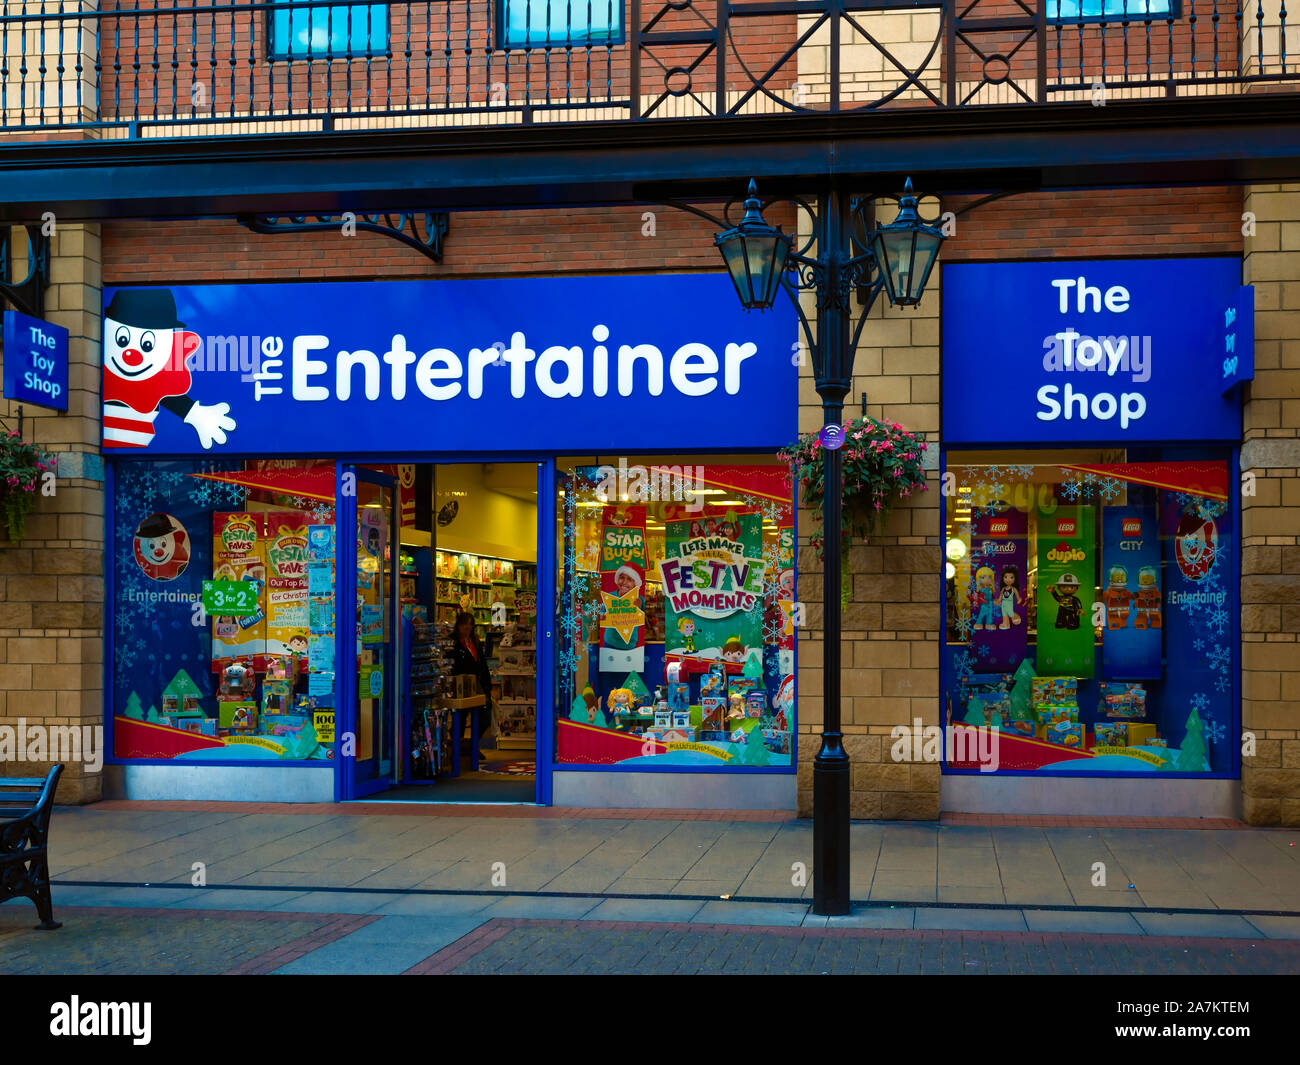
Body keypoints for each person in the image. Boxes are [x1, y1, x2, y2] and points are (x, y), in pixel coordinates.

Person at [450, 611, 493, 758]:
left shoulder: (474, 640)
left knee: (484, 716)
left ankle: (472, 745)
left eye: (470, 624)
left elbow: (482, 663)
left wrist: (487, 685)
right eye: (464, 624)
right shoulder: (453, 643)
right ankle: (460, 748)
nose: (467, 628)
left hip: (478, 685)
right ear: (458, 626)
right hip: (460, 686)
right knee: (460, 719)